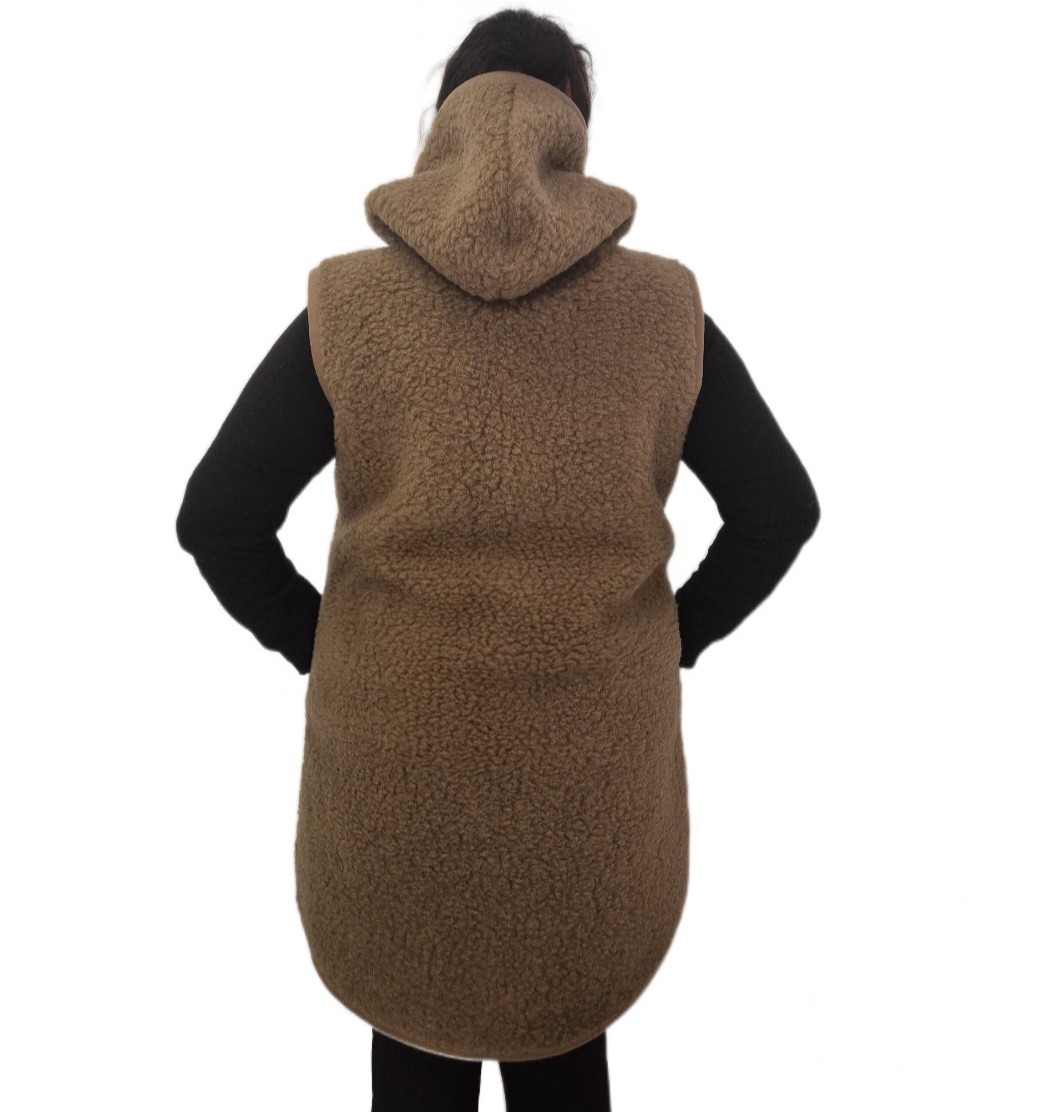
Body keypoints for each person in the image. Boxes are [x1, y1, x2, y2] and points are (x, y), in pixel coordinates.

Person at [175, 8, 820, 1111]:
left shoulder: (349, 304)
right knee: (565, 1034)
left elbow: (217, 519)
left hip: (395, 771)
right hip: (588, 781)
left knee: (413, 1032)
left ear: (444, 126)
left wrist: (326, 644)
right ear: (574, 129)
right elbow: (780, 511)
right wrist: (671, 638)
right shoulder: (663, 310)